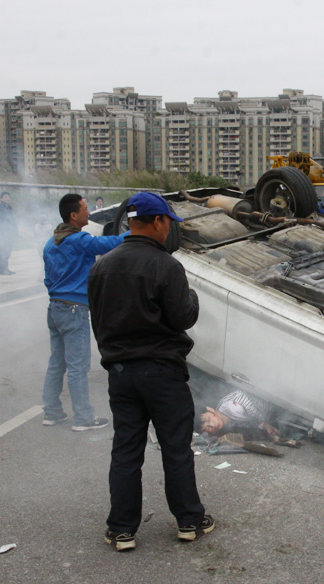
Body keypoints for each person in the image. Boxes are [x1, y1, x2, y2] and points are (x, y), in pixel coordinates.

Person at [88, 191, 213, 551]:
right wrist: (192, 297)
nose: (168, 230)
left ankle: (122, 529)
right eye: (167, 223)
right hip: (162, 373)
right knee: (175, 447)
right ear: (157, 222)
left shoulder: (102, 265)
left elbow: (98, 321)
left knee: (126, 450)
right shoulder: (167, 266)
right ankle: (189, 521)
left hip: (121, 373)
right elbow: (183, 317)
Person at [41, 193, 126, 431]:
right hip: (74, 310)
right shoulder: (78, 239)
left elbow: (47, 278)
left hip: (55, 308)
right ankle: (83, 418)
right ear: (73, 215)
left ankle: (52, 412)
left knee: (57, 363)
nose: (89, 213)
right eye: (85, 209)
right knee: (78, 366)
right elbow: (108, 244)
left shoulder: (52, 242)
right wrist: (138, 232)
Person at [197, 389, 280, 442]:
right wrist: (266, 426)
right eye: (208, 428)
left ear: (210, 409)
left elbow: (242, 396)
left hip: (276, 402)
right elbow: (251, 422)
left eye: (208, 420)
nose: (212, 425)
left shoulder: (233, 406)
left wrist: (264, 420)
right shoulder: (227, 418)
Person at [0, 192, 18, 275]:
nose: (7, 198)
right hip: (4, 233)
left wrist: (15, 231)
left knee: (8, 251)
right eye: (5, 197)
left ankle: (6, 268)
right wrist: (0, 231)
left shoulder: (9, 208)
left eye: (8, 197)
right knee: (3, 251)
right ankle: (2, 269)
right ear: (1, 198)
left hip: (10, 232)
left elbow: (12, 221)